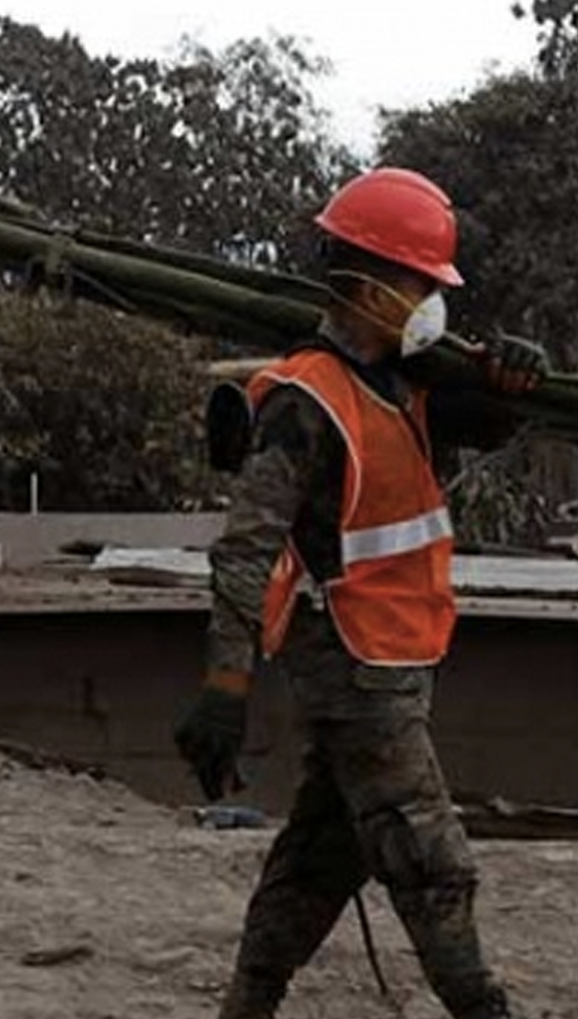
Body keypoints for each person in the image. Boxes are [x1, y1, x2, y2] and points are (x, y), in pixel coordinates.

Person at [174, 167, 545, 1019]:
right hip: (354, 667)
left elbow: (484, 420)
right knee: (429, 856)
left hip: (394, 654)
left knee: (323, 853)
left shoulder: (404, 383)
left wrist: (515, 381)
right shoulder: (305, 402)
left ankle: (248, 1004)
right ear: (371, 287)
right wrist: (224, 686)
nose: (432, 302)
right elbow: (244, 550)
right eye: (420, 284)